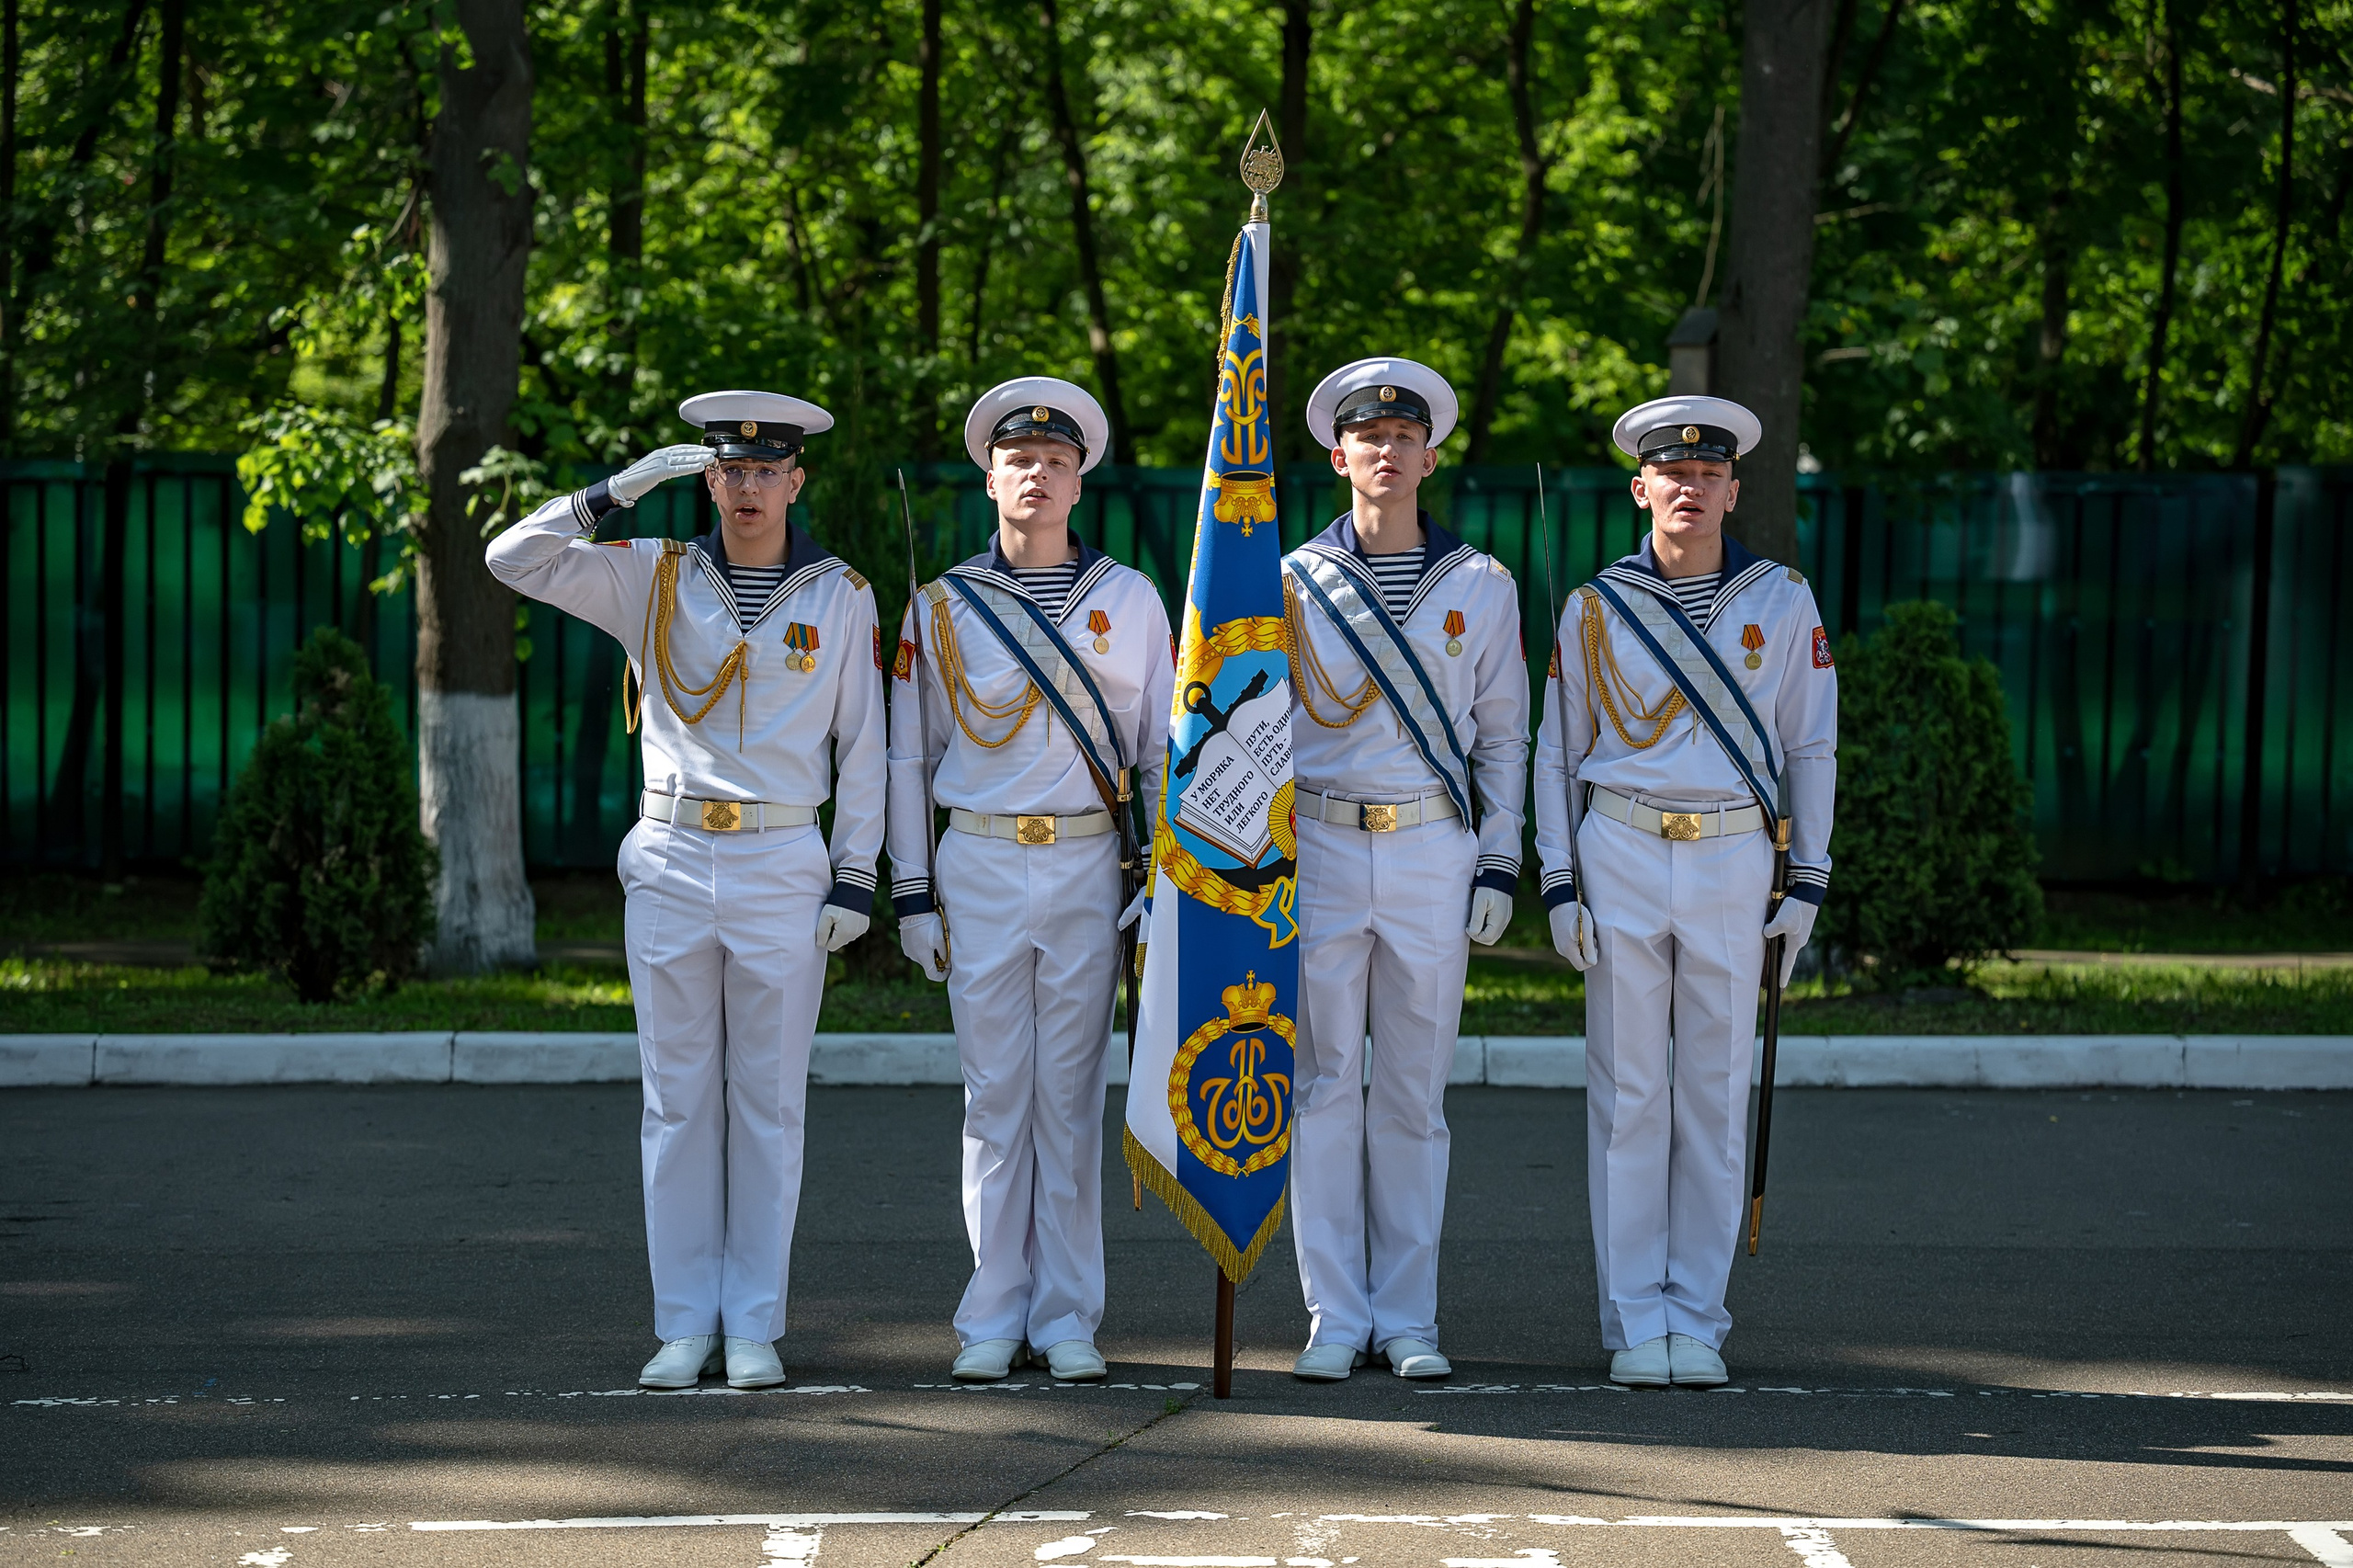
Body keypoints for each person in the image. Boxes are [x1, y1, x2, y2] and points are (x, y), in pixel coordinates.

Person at [485, 392, 886, 1391]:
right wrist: (612, 493)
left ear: (796, 481)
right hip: (670, 854)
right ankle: (682, 1323)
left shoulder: (840, 594)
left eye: (765, 471)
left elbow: (867, 749)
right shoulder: (654, 573)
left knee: (767, 1103)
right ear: (704, 479)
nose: (745, 487)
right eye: (727, 471)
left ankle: (752, 1321)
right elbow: (510, 559)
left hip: (783, 859)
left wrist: (856, 875)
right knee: (674, 1103)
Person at [1531, 394, 1836, 1388]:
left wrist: (1809, 880)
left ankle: (1696, 1318)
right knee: (1627, 1096)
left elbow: (1810, 744)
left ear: (1733, 488)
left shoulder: (1782, 599)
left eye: (1709, 475)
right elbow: (1556, 750)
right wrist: (1559, 881)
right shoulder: (1594, 606)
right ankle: (1632, 1318)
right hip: (1617, 846)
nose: (1691, 488)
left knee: (1711, 1093)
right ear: (1641, 486)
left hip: (1733, 856)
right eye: (1674, 473)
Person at [886, 377, 1174, 1384]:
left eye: (1055, 462)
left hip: (1091, 861)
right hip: (979, 861)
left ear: (1079, 479)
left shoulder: (1130, 600)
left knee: (1067, 1099)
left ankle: (1066, 1315)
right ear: (989, 475)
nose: (1036, 475)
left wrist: (1167, 878)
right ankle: (990, 1311)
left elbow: (1168, 751)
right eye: (1018, 460)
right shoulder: (942, 604)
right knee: (993, 1098)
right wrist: (912, 891)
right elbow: (905, 760)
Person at [1280, 358, 1529, 1382]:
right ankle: (1333, 1312)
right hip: (1325, 846)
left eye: (1404, 436)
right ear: (1338, 456)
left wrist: (1499, 860)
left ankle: (1408, 1314)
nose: (1386, 450)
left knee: (1415, 1094)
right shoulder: (1290, 578)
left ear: (1430, 454)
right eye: (1367, 437)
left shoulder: (1480, 582)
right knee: (1325, 1084)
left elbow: (1506, 735)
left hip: (1432, 843)